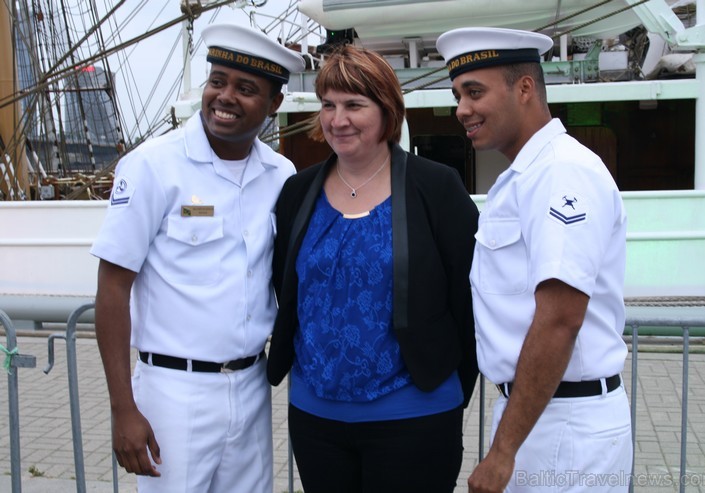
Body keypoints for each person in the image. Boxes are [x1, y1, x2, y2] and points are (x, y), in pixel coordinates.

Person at [90, 22, 304, 493]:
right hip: (173, 392)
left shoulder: (281, 174)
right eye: (217, 81)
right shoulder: (152, 166)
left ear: (274, 105)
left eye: (245, 89)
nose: (224, 96)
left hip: (250, 386)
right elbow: (112, 289)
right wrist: (123, 408)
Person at [266, 44, 479, 493]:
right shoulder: (297, 193)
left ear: (387, 111)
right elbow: (289, 287)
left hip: (415, 419)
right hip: (316, 420)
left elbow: (468, 298)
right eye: (328, 105)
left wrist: (448, 383)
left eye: (354, 105)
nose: (337, 119)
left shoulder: (436, 188)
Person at [436, 27, 632, 493]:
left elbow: (560, 318)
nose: (461, 109)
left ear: (524, 88)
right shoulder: (526, 174)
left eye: (474, 92)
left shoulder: (560, 171)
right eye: (458, 94)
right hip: (539, 415)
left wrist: (502, 453)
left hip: (564, 426)